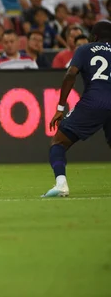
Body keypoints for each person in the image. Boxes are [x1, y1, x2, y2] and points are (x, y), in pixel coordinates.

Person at [44, 20, 111, 197]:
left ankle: (61, 185)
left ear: (94, 36)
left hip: (94, 101)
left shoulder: (85, 49)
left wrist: (60, 107)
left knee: (58, 143)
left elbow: (70, 74)